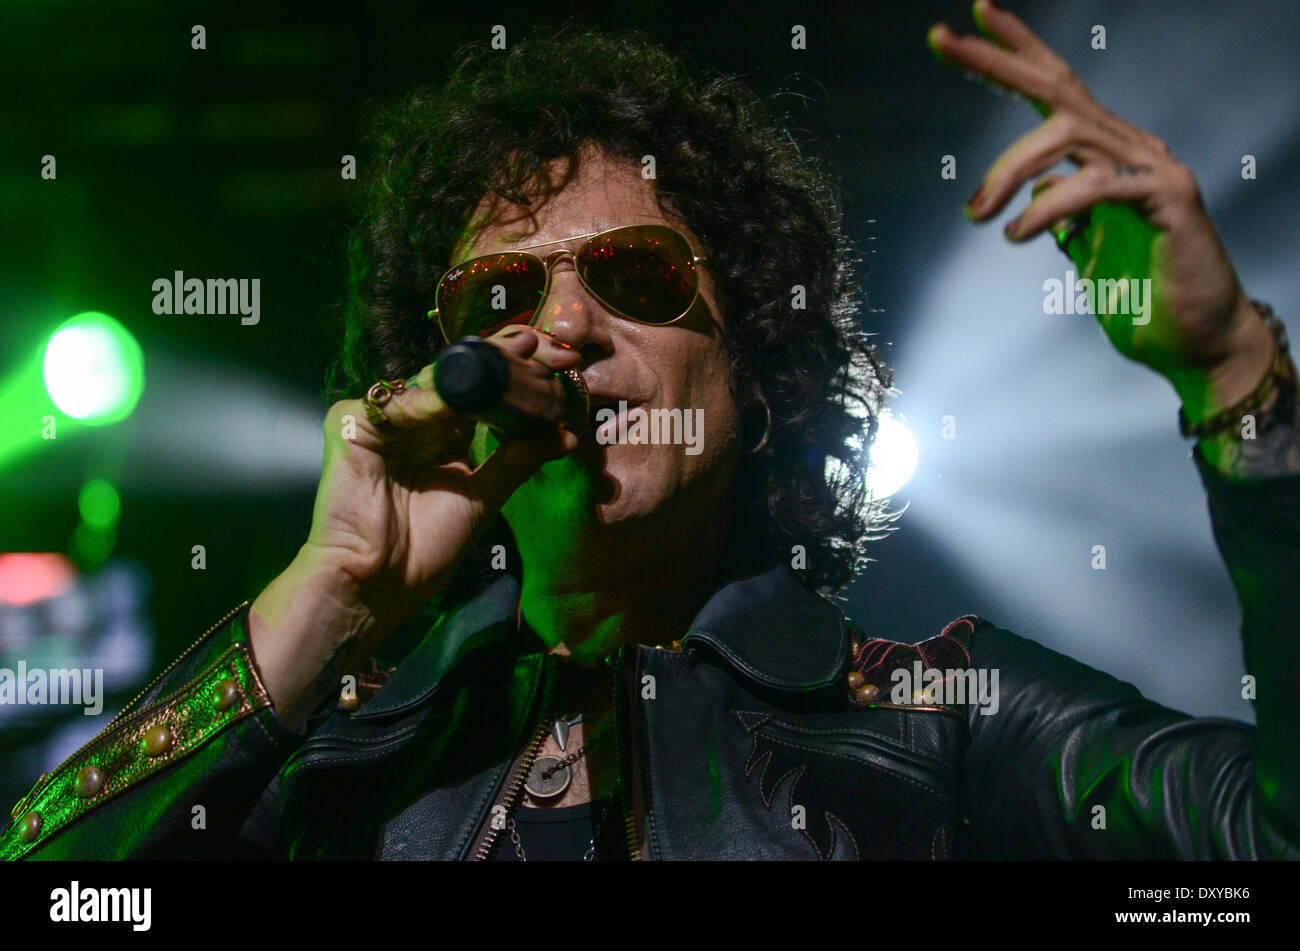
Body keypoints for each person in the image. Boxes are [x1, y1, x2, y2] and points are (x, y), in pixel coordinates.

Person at [4, 1, 1297, 861]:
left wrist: (1236, 372)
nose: (561, 330)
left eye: (633, 277)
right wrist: (327, 600)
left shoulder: (931, 715)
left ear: (759, 371)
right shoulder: (341, 747)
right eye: (499, 299)